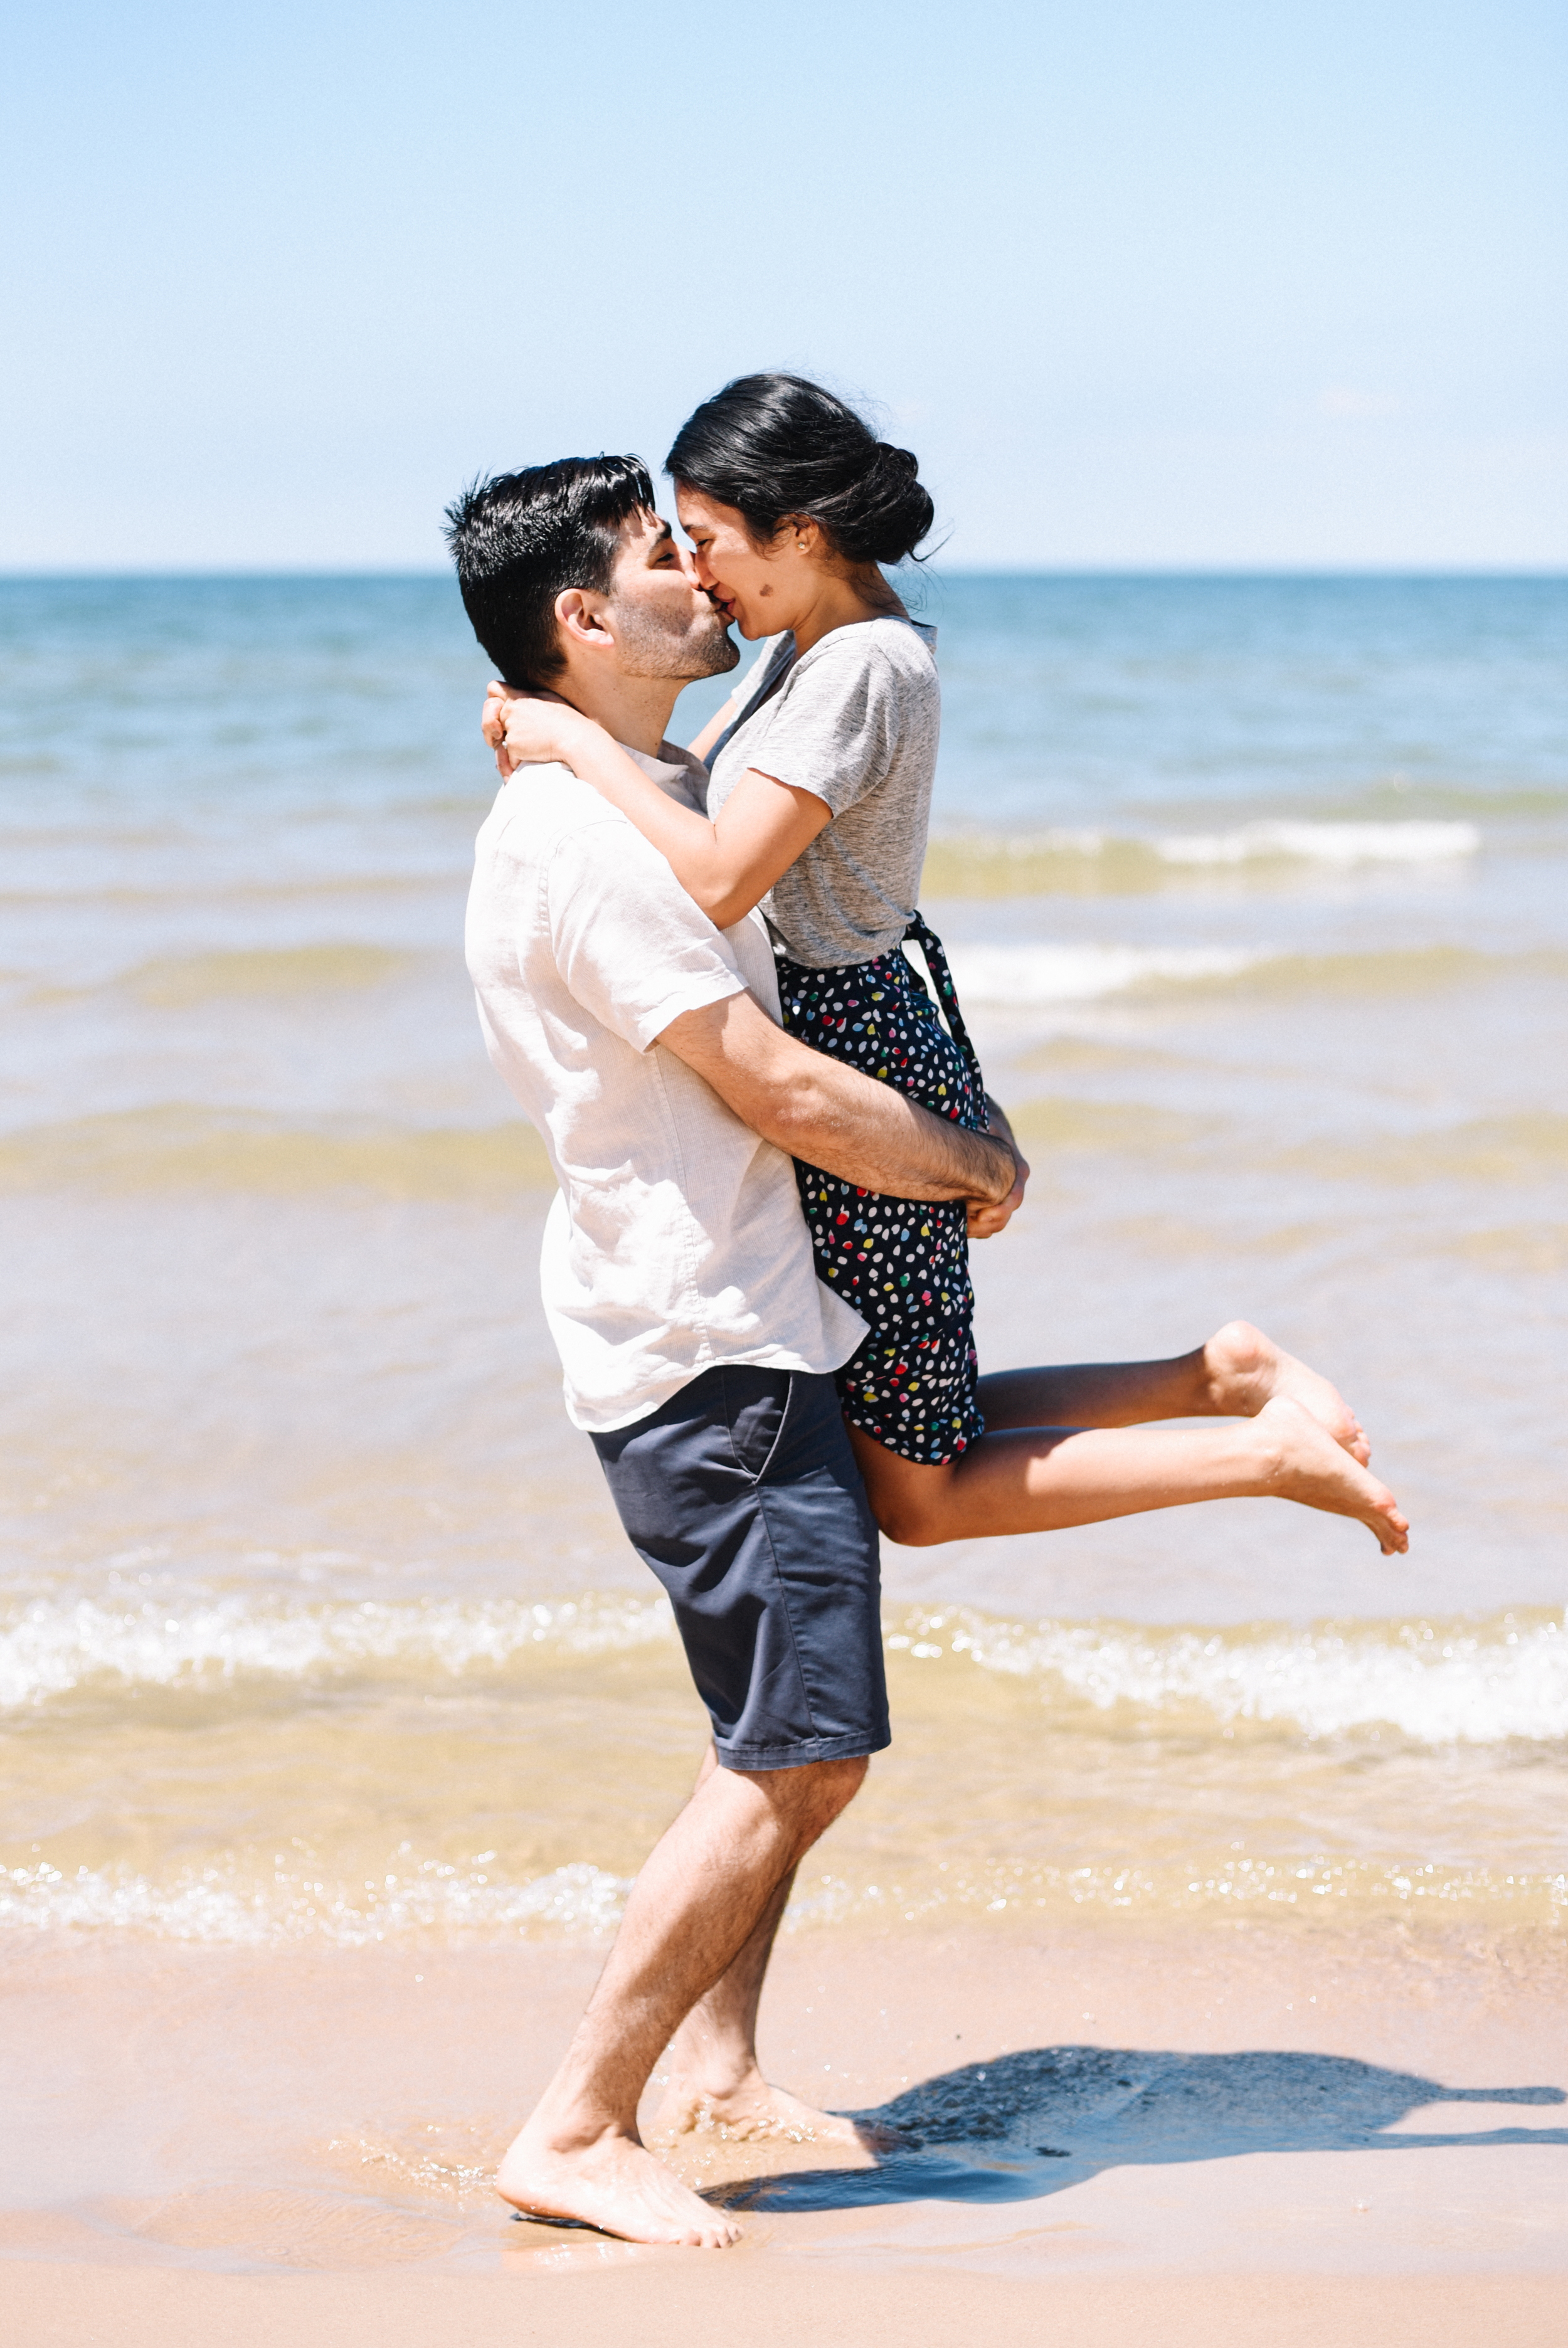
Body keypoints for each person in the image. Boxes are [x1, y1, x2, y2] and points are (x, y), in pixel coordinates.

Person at [485, 378, 1409, 1560]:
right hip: (855, 1021)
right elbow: (689, 798)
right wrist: (558, 715)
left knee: (920, 1494)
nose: (703, 574)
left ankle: (1258, 1452)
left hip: (851, 1042)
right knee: (915, 1431)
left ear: (800, 533)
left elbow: (716, 874)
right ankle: (1219, 1377)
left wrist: (568, 741)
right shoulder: (804, 652)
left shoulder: (865, 667)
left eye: (709, 542)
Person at [448, 453, 1020, 2251]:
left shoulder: (645, 789)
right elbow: (766, 1084)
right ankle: (574, 2122)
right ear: (581, 622)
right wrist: (969, 1167)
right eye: (654, 555)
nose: (698, 575)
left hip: (722, 1321)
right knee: (801, 1754)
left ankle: (714, 2069)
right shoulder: (587, 845)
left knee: (758, 1728)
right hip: (713, 1345)